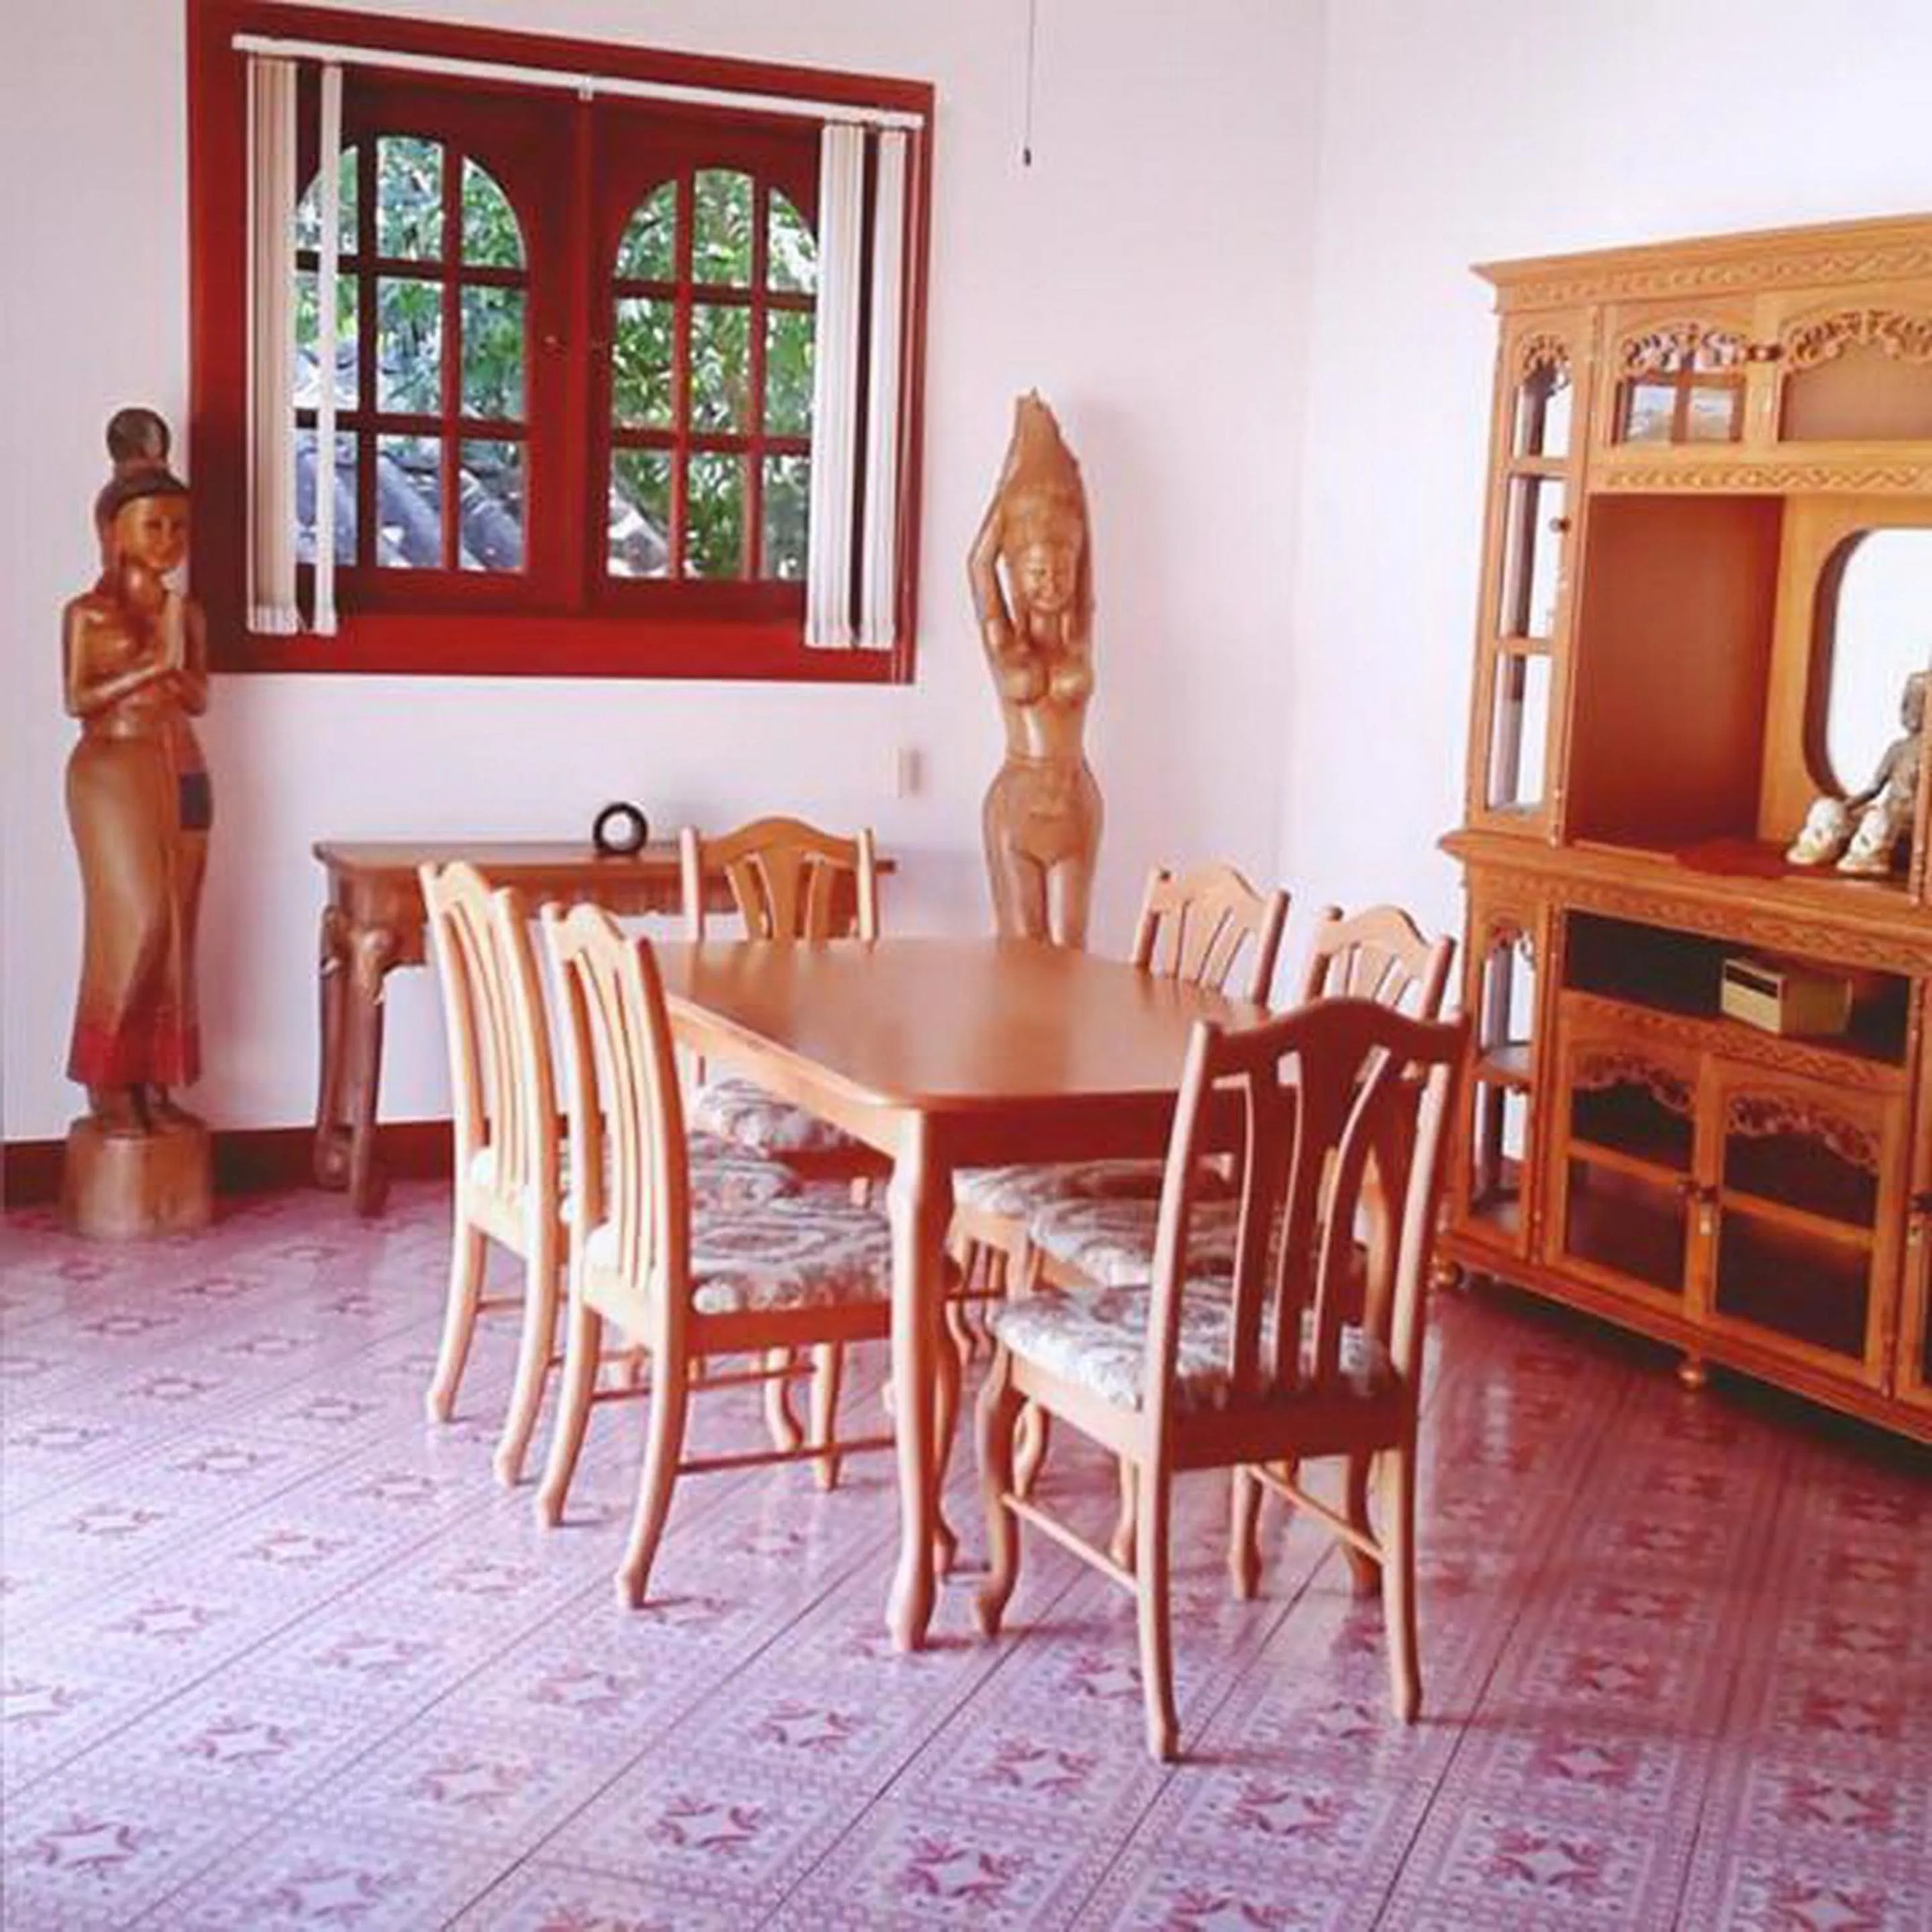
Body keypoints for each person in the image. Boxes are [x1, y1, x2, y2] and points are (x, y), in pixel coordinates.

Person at [63, 409, 212, 1133]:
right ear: (115, 530)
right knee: (137, 919)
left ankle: (156, 1079)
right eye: (154, 526)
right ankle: (106, 1078)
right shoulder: (89, 614)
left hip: (178, 756)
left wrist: (174, 664)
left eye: (178, 527)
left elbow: (200, 697)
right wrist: (148, 669)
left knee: (181, 921)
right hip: (111, 763)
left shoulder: (187, 612)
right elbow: (76, 699)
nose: (168, 542)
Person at [968, 393, 1102, 946]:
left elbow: (1088, 547)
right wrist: (1011, 491)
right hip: (1017, 807)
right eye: (1036, 571)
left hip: (1076, 801)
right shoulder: (1003, 640)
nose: (1051, 583)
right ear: (1017, 575)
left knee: (1073, 955)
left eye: (1061, 570)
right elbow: (977, 564)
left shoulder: (1082, 636)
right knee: (1022, 954)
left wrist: (1072, 494)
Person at [1786, 668, 1926, 875]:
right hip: (1885, 816)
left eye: (1918, 703)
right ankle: (1819, 845)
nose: (1909, 710)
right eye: (1907, 702)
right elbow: (1873, 789)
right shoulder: (1898, 748)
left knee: (1878, 823)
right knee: (1828, 808)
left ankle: (1871, 855)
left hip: (1909, 828)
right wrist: (1843, 809)